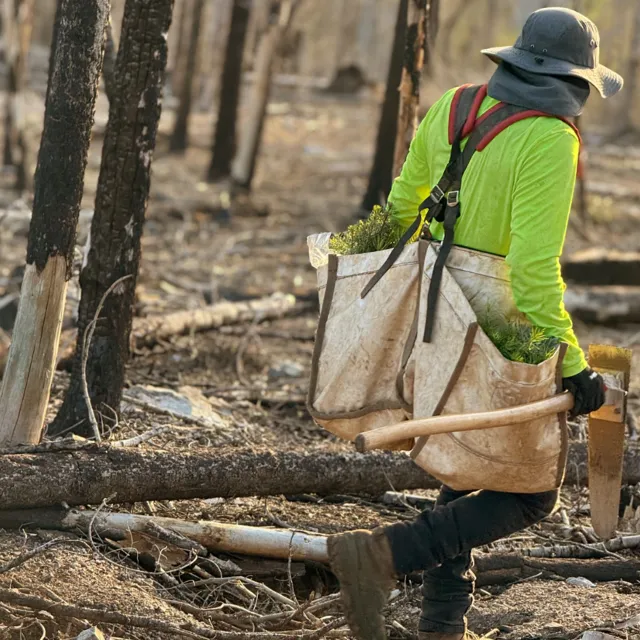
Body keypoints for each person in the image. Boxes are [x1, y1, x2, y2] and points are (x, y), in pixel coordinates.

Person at [327, 8, 622, 640]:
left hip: (436, 312)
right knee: (528, 491)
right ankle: (383, 556)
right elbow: (534, 267)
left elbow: (402, 206)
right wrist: (573, 363)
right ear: (577, 80)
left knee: (470, 466)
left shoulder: (455, 105)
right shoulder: (552, 138)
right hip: (501, 326)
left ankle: (441, 623)